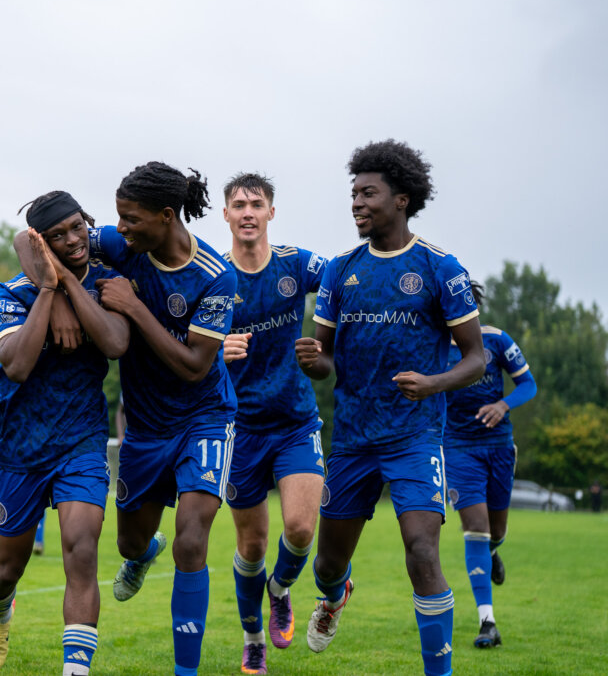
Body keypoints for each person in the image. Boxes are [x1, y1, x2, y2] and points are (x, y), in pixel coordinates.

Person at [18, 162, 238, 675]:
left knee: (191, 538)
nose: (119, 228)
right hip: (143, 425)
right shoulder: (121, 245)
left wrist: (137, 311)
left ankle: (186, 670)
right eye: (118, 217)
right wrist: (65, 297)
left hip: (204, 415)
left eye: (131, 219)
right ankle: (142, 555)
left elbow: (193, 366)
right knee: (128, 543)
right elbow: (27, 240)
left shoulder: (215, 277)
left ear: (165, 216)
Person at [294, 140, 485, 676]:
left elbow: (475, 359)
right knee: (327, 564)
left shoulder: (440, 267)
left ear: (401, 200)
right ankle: (335, 595)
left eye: (368, 193)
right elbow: (325, 362)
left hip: (416, 436)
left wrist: (433, 383)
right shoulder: (339, 270)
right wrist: (314, 360)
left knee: (422, 549)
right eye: (353, 193)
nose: (356, 202)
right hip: (353, 437)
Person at [0, 191, 129, 675]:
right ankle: (0, 614)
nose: (73, 240)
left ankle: (75, 670)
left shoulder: (108, 279)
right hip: (21, 444)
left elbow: (112, 343)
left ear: (88, 221)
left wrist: (70, 289)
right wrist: (49, 291)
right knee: (7, 570)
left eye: (76, 228)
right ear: (44, 243)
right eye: (58, 236)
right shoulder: (13, 293)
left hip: (82, 440)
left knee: (82, 550)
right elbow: (18, 366)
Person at [218, 173, 327, 675]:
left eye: (255, 204)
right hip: (239, 429)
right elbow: (184, 345)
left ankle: (280, 591)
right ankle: (253, 636)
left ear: (270, 213)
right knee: (252, 545)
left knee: (302, 529)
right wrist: (217, 350)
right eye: (238, 204)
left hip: (294, 421)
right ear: (225, 215)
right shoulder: (214, 276)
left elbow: (348, 283)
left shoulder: (297, 265)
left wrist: (329, 342)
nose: (247, 212)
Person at [443, 281, 537, 649]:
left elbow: (528, 384)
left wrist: (504, 405)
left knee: (496, 530)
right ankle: (488, 622)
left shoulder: (496, 340)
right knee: (476, 529)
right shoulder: (432, 346)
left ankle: (494, 551)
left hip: (498, 447)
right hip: (458, 448)